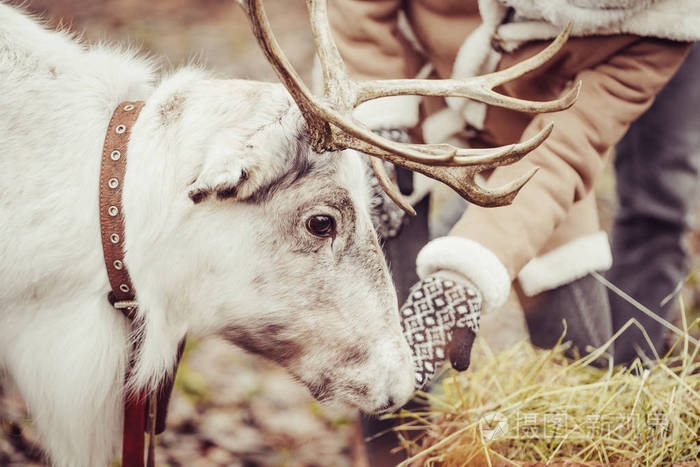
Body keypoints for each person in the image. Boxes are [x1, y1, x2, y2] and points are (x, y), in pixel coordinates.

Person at [327, 0, 700, 464]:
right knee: (395, 345)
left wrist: (466, 271)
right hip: (408, 81)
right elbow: (358, 12)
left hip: (530, 144)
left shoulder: (663, 27)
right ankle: (394, 454)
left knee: (581, 359)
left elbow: (564, 151)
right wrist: (382, 125)